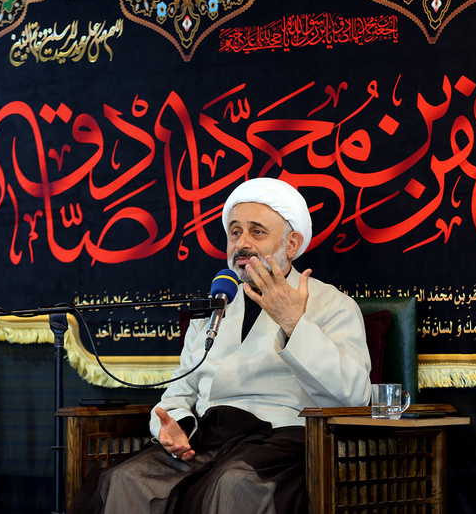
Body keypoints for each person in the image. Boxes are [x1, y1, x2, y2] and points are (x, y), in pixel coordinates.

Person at [93, 178, 371, 514]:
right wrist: (178, 426)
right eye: (235, 232)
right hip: (207, 440)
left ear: (292, 243)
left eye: (257, 232)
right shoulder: (217, 306)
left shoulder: (331, 304)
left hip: (282, 441)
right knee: (126, 479)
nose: (242, 244)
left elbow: (355, 396)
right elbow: (179, 393)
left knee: (234, 485)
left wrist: (294, 323)